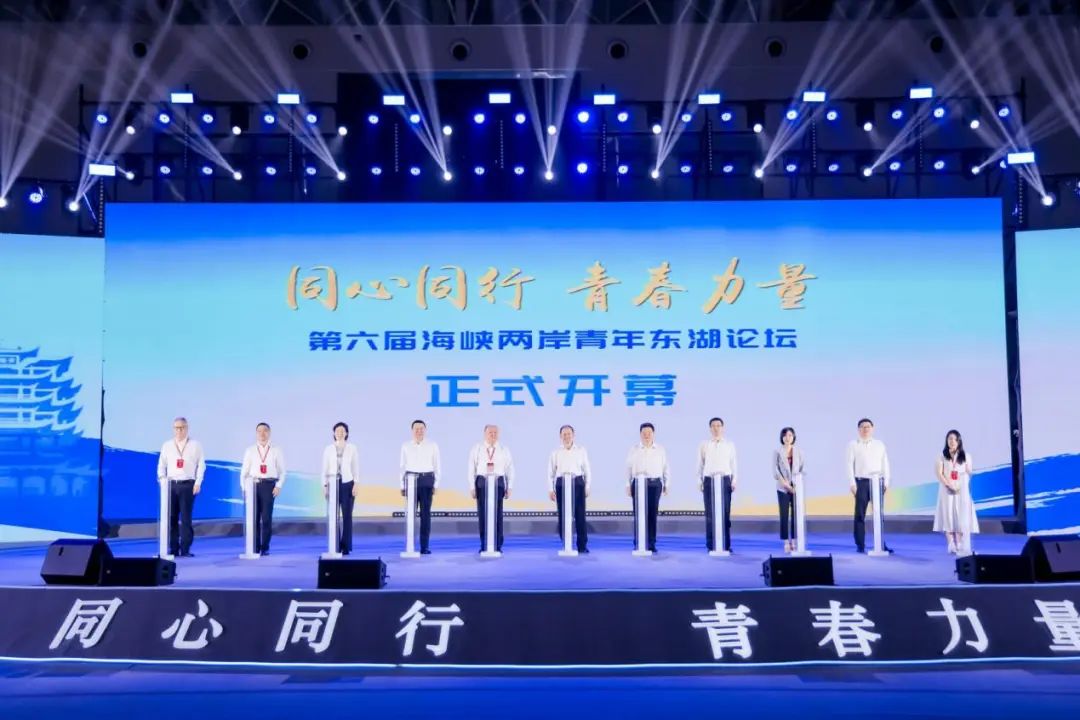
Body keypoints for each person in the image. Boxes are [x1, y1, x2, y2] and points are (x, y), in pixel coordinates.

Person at [156, 417, 206, 558]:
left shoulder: (195, 445)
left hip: (188, 485)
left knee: (186, 518)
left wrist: (198, 482)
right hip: (171, 485)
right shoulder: (167, 445)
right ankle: (173, 548)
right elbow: (161, 465)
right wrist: (162, 480)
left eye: (182, 427)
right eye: (176, 428)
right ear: (173, 429)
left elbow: (201, 465)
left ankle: (185, 548)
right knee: (171, 517)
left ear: (187, 428)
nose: (179, 430)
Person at [846, 418, 893, 554]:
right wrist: (852, 483)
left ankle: (881, 544)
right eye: (862, 427)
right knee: (860, 514)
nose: (865, 429)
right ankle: (860, 544)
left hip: (877, 482)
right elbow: (849, 465)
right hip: (861, 482)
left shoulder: (879, 444)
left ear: (872, 428)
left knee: (878, 515)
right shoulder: (853, 444)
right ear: (858, 429)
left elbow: (885, 463)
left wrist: (886, 481)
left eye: (868, 427)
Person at [240, 422, 286, 555]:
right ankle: (254, 546)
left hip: (269, 486)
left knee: (266, 518)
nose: (262, 433)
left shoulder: (276, 450)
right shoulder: (250, 450)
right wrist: (244, 489)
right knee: (253, 518)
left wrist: (279, 485)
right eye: (259, 431)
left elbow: (282, 471)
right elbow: (244, 472)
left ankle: (265, 547)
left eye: (265, 430)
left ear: (269, 433)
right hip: (253, 486)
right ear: (256, 433)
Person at [468, 424, 514, 553]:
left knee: (498, 514)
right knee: (483, 514)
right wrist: (472, 487)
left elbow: (510, 469)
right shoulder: (477, 448)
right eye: (490, 433)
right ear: (485, 434)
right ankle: (484, 545)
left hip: (498, 482)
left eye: (495, 433)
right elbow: (471, 468)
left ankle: (497, 545)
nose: (493, 435)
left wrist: (510, 486)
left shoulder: (504, 449)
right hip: (482, 482)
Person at [933, 429, 979, 555]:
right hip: (946, 490)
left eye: (954, 439)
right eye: (949, 439)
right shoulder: (942, 456)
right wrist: (948, 484)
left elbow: (969, 473)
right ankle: (951, 543)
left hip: (961, 490)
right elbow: (939, 473)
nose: (952, 441)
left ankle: (959, 542)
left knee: (960, 516)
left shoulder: (966, 456)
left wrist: (960, 484)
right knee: (948, 515)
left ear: (959, 441)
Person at [626, 422, 669, 552]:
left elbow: (666, 468)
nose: (646, 435)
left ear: (653, 434)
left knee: (652, 514)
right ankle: (638, 542)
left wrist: (666, 484)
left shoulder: (660, 449)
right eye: (644, 433)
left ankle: (651, 543)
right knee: (639, 514)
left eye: (649, 433)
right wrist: (628, 484)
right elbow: (628, 468)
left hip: (654, 484)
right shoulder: (634, 449)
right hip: (638, 483)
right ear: (640, 434)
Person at [548, 424, 591, 553]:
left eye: (569, 434)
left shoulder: (581, 450)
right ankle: (566, 544)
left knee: (580, 515)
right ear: (560, 436)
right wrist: (550, 489)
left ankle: (582, 546)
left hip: (577, 482)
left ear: (573, 435)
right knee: (563, 515)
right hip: (561, 483)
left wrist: (587, 486)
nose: (567, 437)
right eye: (564, 434)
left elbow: (587, 469)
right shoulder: (555, 452)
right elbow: (550, 472)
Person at [400, 419, 440, 555]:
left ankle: (424, 546)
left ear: (425, 430)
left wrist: (436, 484)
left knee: (425, 515)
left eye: (421, 429)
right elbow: (402, 467)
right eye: (416, 429)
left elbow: (437, 466)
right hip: (411, 481)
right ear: (412, 431)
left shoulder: (432, 445)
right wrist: (402, 485)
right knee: (410, 515)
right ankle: (410, 545)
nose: (419, 431)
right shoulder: (405, 446)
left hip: (426, 480)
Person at [697, 417, 737, 552]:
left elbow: (733, 464)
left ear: (723, 428)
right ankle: (711, 545)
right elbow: (700, 464)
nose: (716, 428)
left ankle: (726, 545)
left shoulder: (729, 444)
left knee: (725, 513)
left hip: (725, 480)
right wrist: (699, 481)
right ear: (710, 428)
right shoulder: (704, 445)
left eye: (718, 425)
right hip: (709, 480)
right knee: (710, 514)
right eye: (713, 426)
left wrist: (734, 480)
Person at [321, 422, 359, 555]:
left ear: (346, 433)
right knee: (333, 516)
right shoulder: (328, 449)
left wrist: (356, 483)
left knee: (347, 516)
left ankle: (346, 545)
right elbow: (324, 469)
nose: (340, 433)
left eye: (342, 431)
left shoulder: (352, 448)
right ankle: (335, 544)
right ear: (334, 433)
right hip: (332, 484)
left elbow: (355, 467)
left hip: (347, 483)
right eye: (337, 431)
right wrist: (324, 485)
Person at [772, 427, 806, 553]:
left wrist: (796, 485)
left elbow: (802, 468)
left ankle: (795, 541)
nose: (788, 437)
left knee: (796, 515)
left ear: (793, 437)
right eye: (785, 435)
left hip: (797, 488)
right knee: (784, 515)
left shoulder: (799, 451)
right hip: (783, 488)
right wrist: (786, 485)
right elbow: (775, 470)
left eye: (790, 435)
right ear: (782, 437)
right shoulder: (777, 451)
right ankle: (786, 541)